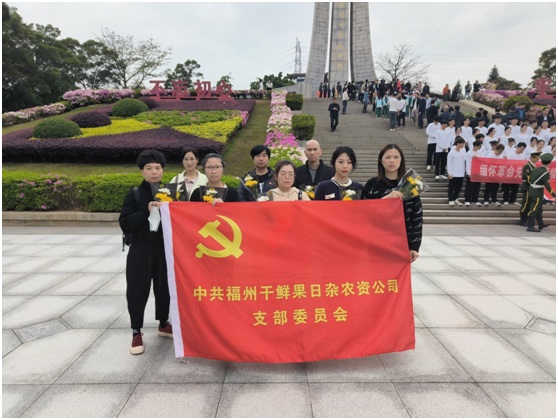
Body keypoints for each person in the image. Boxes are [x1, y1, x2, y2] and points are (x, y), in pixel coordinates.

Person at [119, 149, 172, 355]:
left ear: (163, 170)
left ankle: (163, 323)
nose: (154, 172)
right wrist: (145, 211)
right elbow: (125, 223)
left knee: (164, 288)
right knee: (137, 290)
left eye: (157, 168)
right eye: (149, 168)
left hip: (164, 250)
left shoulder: (169, 193)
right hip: (141, 250)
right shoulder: (135, 194)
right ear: (142, 171)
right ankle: (136, 331)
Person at [362, 144, 422, 262]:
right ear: (381, 161)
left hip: (402, 242)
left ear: (401, 160)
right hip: (375, 241)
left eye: (396, 157)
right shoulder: (372, 185)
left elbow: (417, 216)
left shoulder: (409, 185)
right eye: (388, 157)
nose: (392, 161)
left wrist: (414, 247)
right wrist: (385, 199)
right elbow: (363, 211)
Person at [526, 153, 556, 231]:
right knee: (534, 209)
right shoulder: (545, 173)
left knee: (539, 209)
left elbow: (529, 179)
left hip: (531, 190)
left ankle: (541, 224)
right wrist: (554, 195)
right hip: (537, 193)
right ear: (550, 162)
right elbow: (547, 186)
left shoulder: (535, 169)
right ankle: (530, 226)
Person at [519, 151, 541, 226]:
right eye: (536, 158)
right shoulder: (527, 166)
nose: (537, 160)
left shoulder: (533, 166)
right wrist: (533, 179)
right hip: (527, 187)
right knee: (526, 203)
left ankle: (528, 219)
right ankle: (523, 220)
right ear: (532, 158)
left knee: (530, 203)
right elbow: (524, 176)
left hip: (532, 187)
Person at [464, 139, 485, 206]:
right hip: (471, 172)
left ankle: (475, 200)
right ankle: (467, 200)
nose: (480, 147)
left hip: (478, 172)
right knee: (469, 187)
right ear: (475, 146)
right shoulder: (469, 153)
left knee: (477, 187)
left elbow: (483, 159)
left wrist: (477, 157)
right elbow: (468, 163)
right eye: (479, 146)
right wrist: (468, 173)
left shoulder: (480, 152)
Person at [447, 137, 467, 205]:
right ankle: (451, 199)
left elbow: (465, 160)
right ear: (458, 143)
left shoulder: (462, 153)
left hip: (460, 173)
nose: (463, 145)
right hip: (453, 173)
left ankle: (456, 198)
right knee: (451, 187)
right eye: (462, 144)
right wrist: (450, 173)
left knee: (458, 188)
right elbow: (449, 163)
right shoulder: (451, 153)